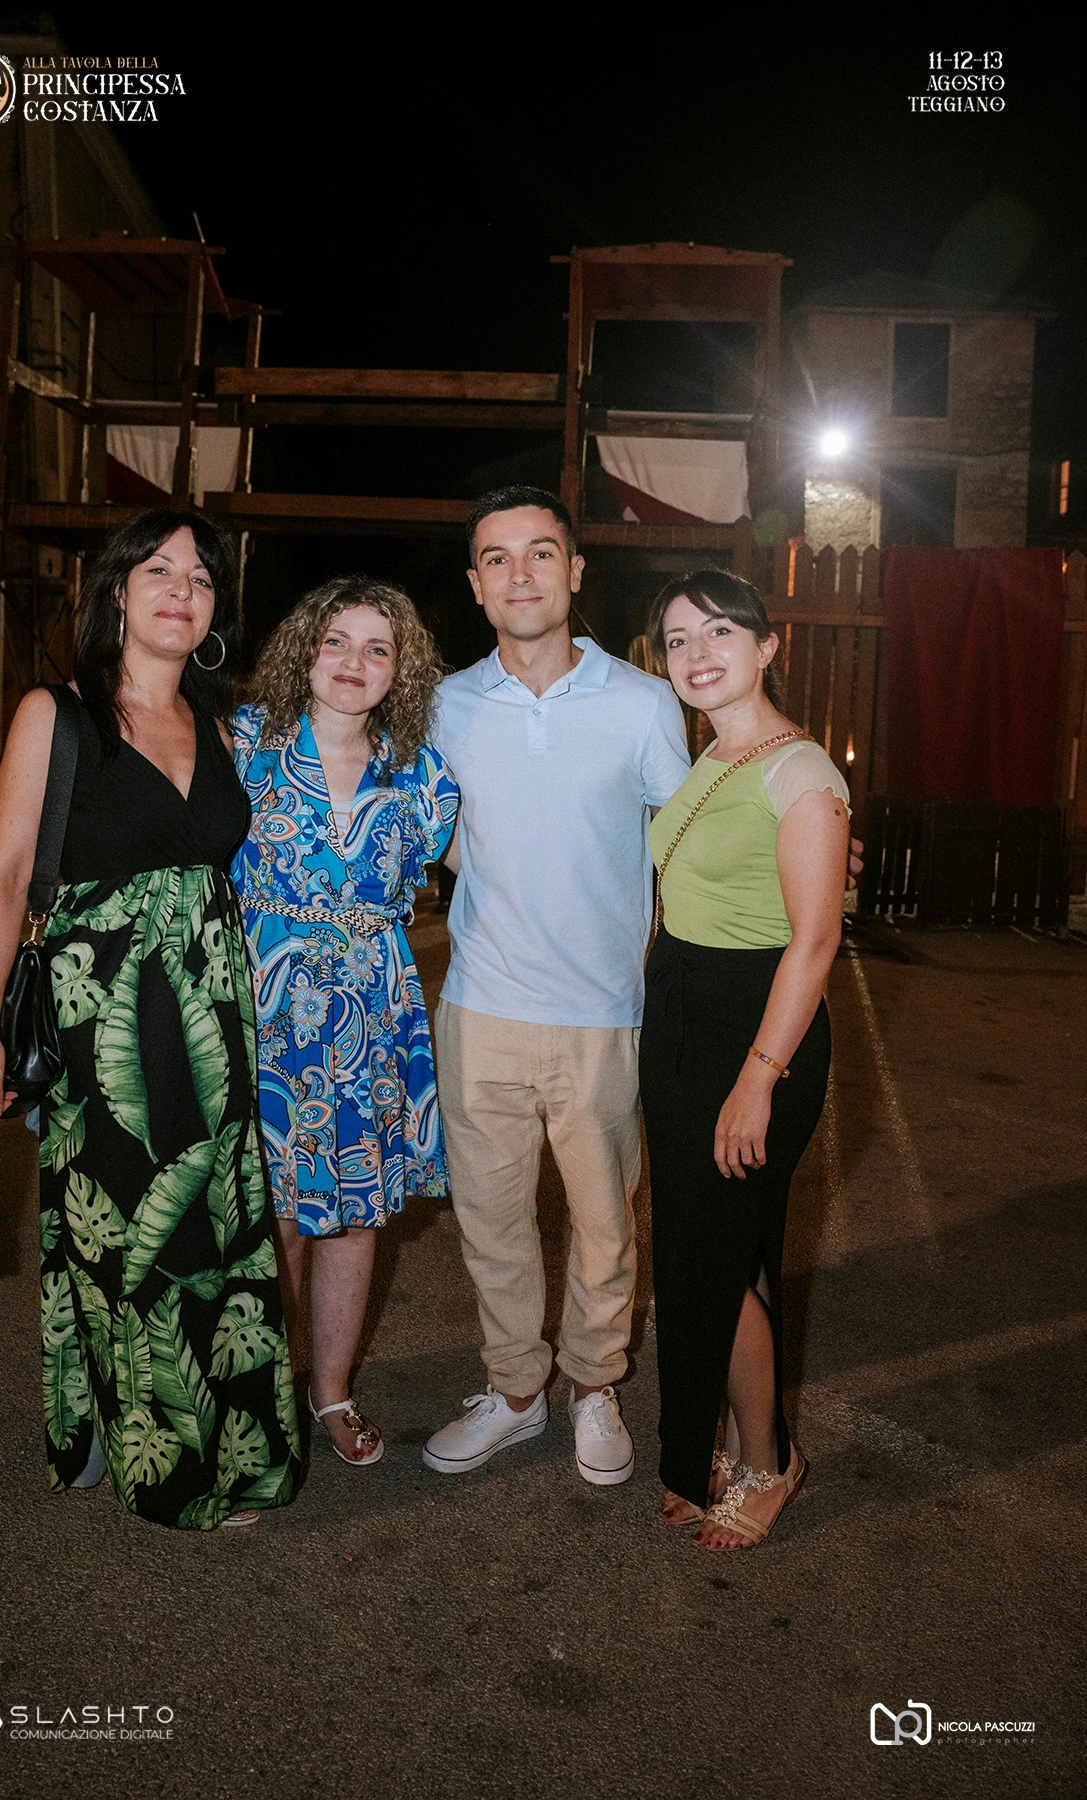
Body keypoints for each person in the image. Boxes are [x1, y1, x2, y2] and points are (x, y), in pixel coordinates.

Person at [0, 509, 300, 1531]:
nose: (181, 591)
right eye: (159, 570)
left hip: (213, 1020)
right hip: (101, 1021)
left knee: (219, 1226)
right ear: (117, 591)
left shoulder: (221, 723)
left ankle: (196, 1432)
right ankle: (171, 1466)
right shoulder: (57, 714)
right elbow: (4, 877)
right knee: (129, 1237)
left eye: (200, 578)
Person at [421, 485, 693, 1487]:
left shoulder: (642, 702)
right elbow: (437, 837)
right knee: (491, 1223)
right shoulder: (446, 706)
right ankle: (514, 1390)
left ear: (575, 571)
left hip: (600, 1016)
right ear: (475, 585)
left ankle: (593, 1384)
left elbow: (685, 838)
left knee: (605, 1226)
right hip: (480, 1008)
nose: (520, 573)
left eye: (541, 552)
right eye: (497, 558)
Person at [640, 569, 850, 1549]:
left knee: (713, 1259)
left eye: (720, 631)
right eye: (678, 639)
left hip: (755, 1029)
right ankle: (717, 1438)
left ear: (767, 647)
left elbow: (815, 941)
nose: (698, 653)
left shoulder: (801, 771)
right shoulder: (713, 757)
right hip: (684, 1019)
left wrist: (759, 1079)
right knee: (703, 1249)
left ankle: (770, 1460)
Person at [230, 576, 457, 1466]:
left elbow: (499, 867)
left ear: (402, 671)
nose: (354, 662)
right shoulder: (245, 745)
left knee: (355, 1219)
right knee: (274, 1217)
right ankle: (263, 1395)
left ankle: (331, 1391)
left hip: (372, 1014)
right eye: (336, 641)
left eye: (377, 648)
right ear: (304, 651)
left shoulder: (422, 776)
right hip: (264, 1013)